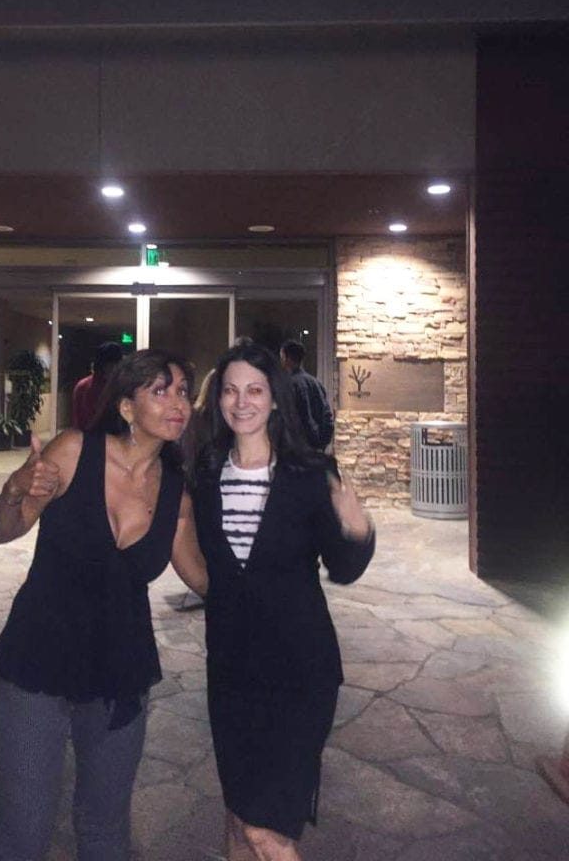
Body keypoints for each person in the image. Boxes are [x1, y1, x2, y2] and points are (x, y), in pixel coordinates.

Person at [0, 349, 208, 861]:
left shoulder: (176, 491)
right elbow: (4, 529)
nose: (178, 403)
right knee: (23, 829)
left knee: (106, 831)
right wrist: (17, 486)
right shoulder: (73, 449)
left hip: (119, 671)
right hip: (37, 659)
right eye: (160, 390)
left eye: (183, 392)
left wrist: (273, 589)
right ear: (127, 406)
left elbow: (202, 577)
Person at [193, 341, 374, 861]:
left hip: (301, 673)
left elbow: (344, 568)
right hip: (231, 672)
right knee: (236, 815)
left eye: (255, 389)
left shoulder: (310, 474)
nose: (241, 401)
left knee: (266, 832)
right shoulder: (205, 473)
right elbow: (195, 556)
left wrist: (357, 528)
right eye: (230, 390)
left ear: (275, 399)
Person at [279, 338, 334, 451]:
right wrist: (323, 442)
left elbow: (298, 416)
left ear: (286, 358)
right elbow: (327, 415)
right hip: (316, 447)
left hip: (297, 448)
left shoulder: (290, 385)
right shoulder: (315, 383)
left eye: (282, 357)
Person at [71, 340, 123, 430]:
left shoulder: (120, 384)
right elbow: (80, 419)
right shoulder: (85, 386)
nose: (114, 368)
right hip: (94, 435)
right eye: (111, 365)